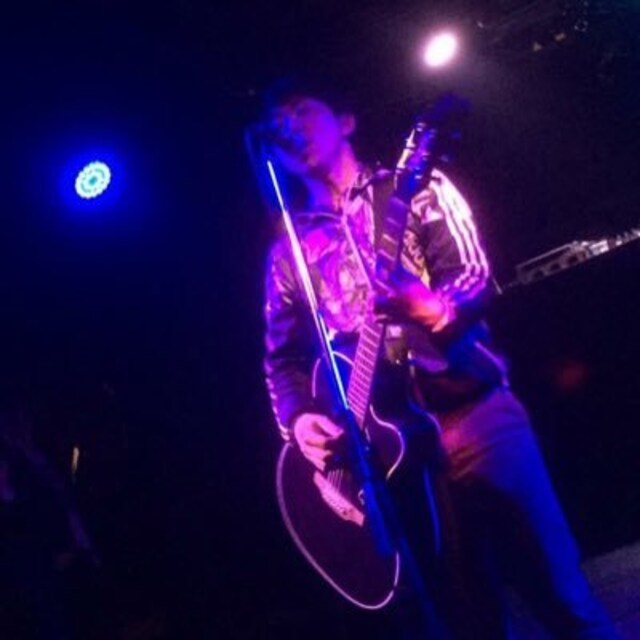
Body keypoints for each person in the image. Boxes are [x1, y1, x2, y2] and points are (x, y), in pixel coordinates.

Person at [258, 75, 619, 639]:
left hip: (472, 418)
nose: (288, 127)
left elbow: (473, 276)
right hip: (392, 457)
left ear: (345, 120)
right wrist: (299, 419)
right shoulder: (289, 253)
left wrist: (430, 308)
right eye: (276, 123)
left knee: (560, 597)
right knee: (466, 620)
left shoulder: (416, 187)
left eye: (301, 110)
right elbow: (281, 360)